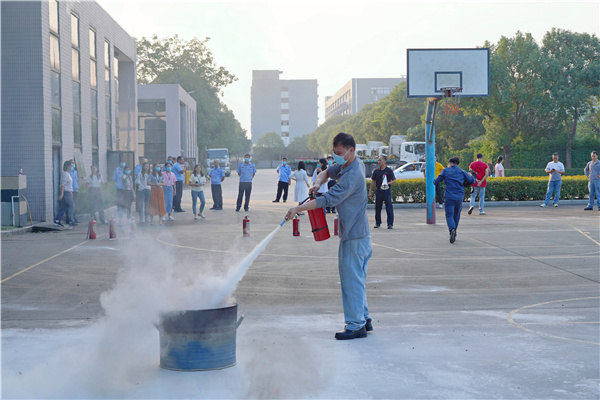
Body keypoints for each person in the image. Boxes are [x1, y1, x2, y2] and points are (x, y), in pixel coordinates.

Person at [285, 132, 372, 341]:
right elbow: (326, 172)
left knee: (351, 281)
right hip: (360, 235)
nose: (336, 157)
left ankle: (355, 325)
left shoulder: (352, 175)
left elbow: (327, 200)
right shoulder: (351, 164)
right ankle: (365, 318)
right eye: (334, 153)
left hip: (354, 236)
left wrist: (298, 209)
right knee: (357, 279)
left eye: (339, 153)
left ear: (351, 151)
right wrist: (317, 183)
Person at [434, 157, 475, 244]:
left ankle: (452, 229)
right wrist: (472, 175)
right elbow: (472, 181)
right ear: (457, 163)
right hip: (459, 196)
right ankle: (454, 231)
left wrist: (434, 181)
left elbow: (437, 181)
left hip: (449, 196)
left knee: (449, 215)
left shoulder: (445, 171)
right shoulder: (462, 172)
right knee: (456, 215)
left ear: (450, 163)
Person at [369, 155, 396, 229]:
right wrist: (370, 192)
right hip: (379, 191)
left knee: (389, 207)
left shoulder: (389, 171)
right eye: (378, 160)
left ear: (384, 161)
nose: (379, 162)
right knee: (377, 207)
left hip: (386, 191)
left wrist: (388, 183)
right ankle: (378, 222)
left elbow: (394, 180)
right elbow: (373, 182)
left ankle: (390, 224)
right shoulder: (376, 171)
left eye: (380, 160)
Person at [54, 160, 76, 227]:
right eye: (71, 165)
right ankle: (70, 220)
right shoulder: (65, 174)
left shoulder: (68, 174)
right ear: (68, 166)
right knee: (72, 206)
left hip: (68, 192)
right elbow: (62, 184)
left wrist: (71, 192)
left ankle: (57, 220)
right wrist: (62, 193)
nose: (72, 167)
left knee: (63, 207)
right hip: (65, 192)